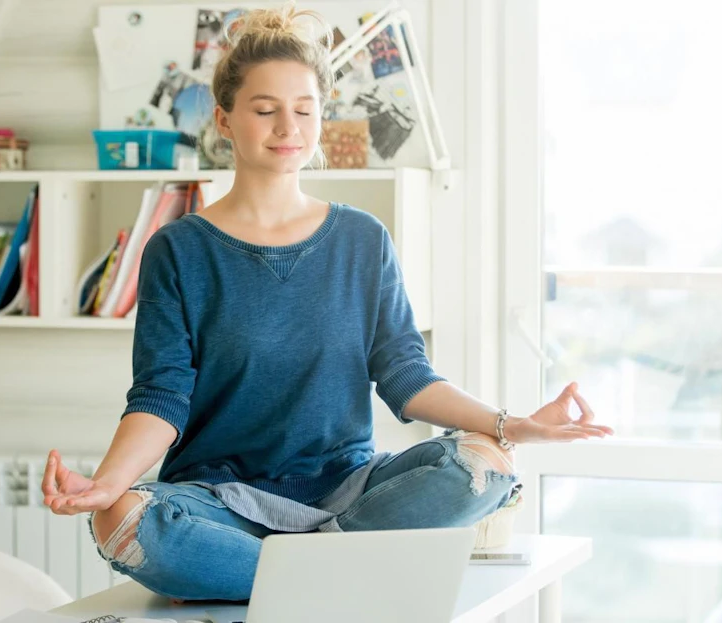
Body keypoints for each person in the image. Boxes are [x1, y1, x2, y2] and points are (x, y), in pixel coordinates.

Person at [43, 3, 613, 603]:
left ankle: (280, 575)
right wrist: (107, 485)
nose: (288, 126)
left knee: (487, 463)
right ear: (225, 120)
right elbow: (161, 397)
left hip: (347, 490)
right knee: (121, 523)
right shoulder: (178, 250)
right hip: (219, 500)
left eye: (304, 110)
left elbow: (405, 376)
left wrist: (512, 424)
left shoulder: (362, 239)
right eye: (265, 110)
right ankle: (342, 573)